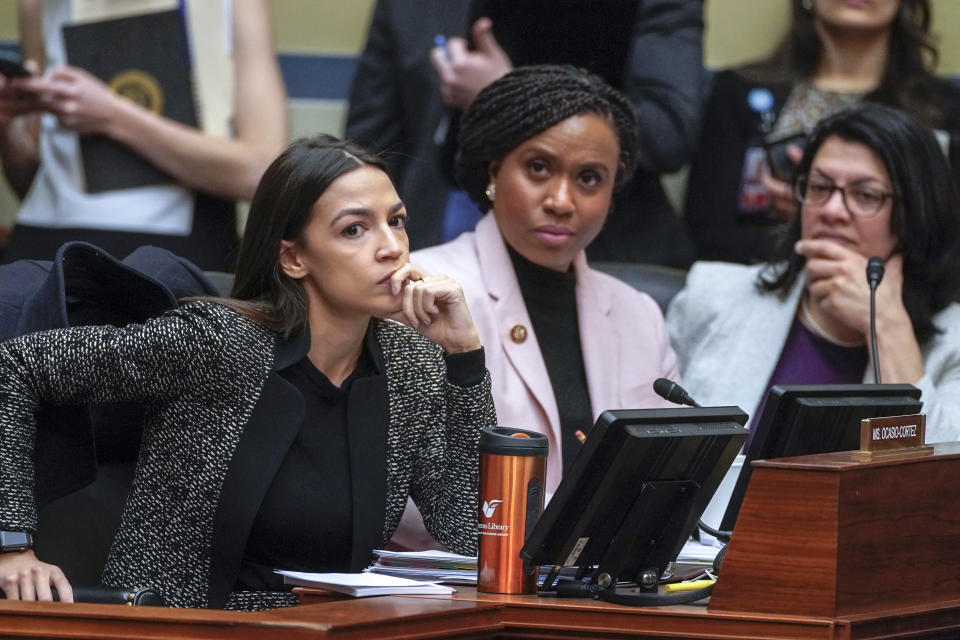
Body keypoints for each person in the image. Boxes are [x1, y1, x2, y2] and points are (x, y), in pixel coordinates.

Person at [0, 135, 496, 610]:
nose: (392, 247)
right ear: (294, 257)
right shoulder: (217, 342)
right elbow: (16, 365)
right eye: (355, 229)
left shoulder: (413, 364)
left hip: (331, 627)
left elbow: (465, 528)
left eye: (398, 221)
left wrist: (465, 357)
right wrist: (12, 542)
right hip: (181, 626)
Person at [392, 66, 678, 551]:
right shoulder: (421, 288)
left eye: (589, 178)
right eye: (539, 168)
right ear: (493, 171)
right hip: (450, 592)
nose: (561, 200)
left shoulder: (639, 314)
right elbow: (393, 495)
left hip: (598, 589)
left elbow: (663, 473)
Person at [668, 104, 960, 445]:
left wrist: (884, 322)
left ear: (915, 216)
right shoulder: (712, 294)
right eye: (820, 187)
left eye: (865, 195)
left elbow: (940, 484)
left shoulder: (954, 343)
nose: (832, 210)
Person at [345, 0, 702, 266]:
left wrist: (508, 92)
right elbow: (370, 145)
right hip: (431, 237)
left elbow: (668, 132)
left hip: (598, 257)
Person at [0, 0, 288, 270]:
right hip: (44, 249)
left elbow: (263, 173)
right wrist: (7, 128)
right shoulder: (39, 5)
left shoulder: (234, 6)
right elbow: (35, 182)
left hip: (172, 257)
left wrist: (113, 116)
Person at [684, 0, 960, 264]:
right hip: (760, 285)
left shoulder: (945, 109)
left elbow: (949, 247)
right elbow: (706, 234)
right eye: (817, 186)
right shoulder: (738, 92)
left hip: (900, 294)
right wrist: (808, 224)